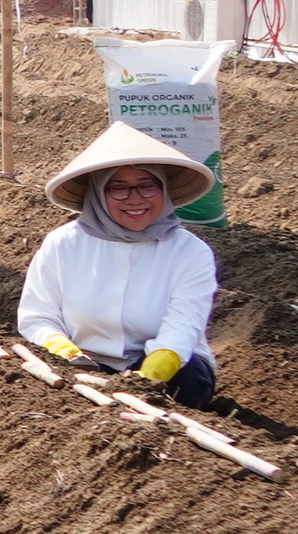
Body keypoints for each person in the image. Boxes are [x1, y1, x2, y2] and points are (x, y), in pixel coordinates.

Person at [17, 122, 223, 404]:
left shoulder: (190, 252)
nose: (135, 199)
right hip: (82, 363)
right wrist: (65, 351)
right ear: (99, 194)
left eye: (147, 186)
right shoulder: (64, 244)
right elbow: (38, 316)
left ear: (163, 189)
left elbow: (183, 327)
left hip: (166, 367)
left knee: (184, 381)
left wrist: (147, 378)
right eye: (119, 189)